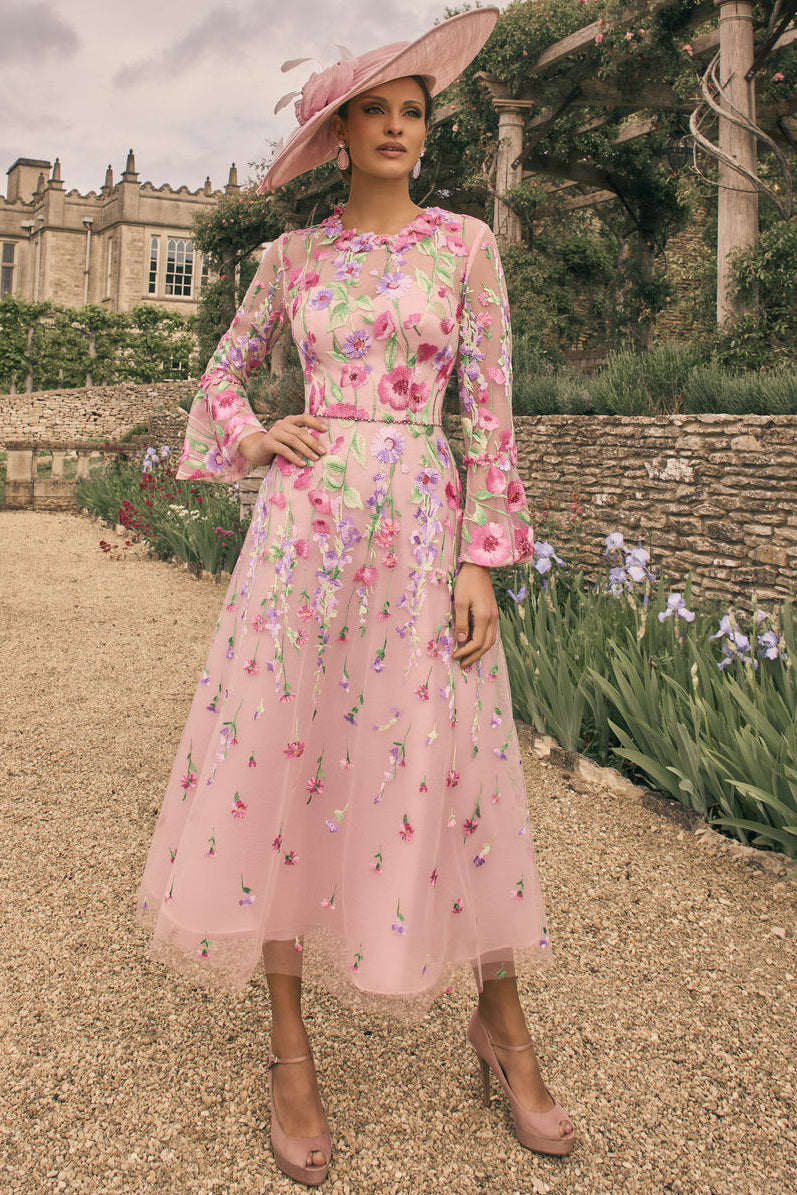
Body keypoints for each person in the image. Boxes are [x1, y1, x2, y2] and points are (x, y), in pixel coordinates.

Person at [136, 8, 574, 1185]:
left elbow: (488, 412)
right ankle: (289, 1050)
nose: (393, 126)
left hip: (420, 528)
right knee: (283, 760)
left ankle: (503, 1021)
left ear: (428, 130)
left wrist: (479, 557)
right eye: (372, 110)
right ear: (338, 133)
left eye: (411, 110)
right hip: (301, 541)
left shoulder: (462, 246)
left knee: (449, 764)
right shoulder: (288, 258)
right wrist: (257, 432)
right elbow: (218, 380)